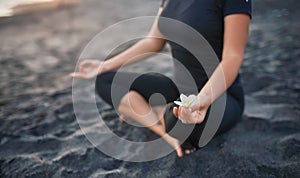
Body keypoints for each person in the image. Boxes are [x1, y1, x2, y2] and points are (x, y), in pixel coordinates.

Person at [70, 0, 251, 157]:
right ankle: (163, 130)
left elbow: (232, 59)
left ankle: (153, 112)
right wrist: (104, 65)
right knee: (104, 80)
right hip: (178, 93)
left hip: (219, 98)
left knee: (181, 125)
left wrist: (202, 101)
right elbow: (153, 41)